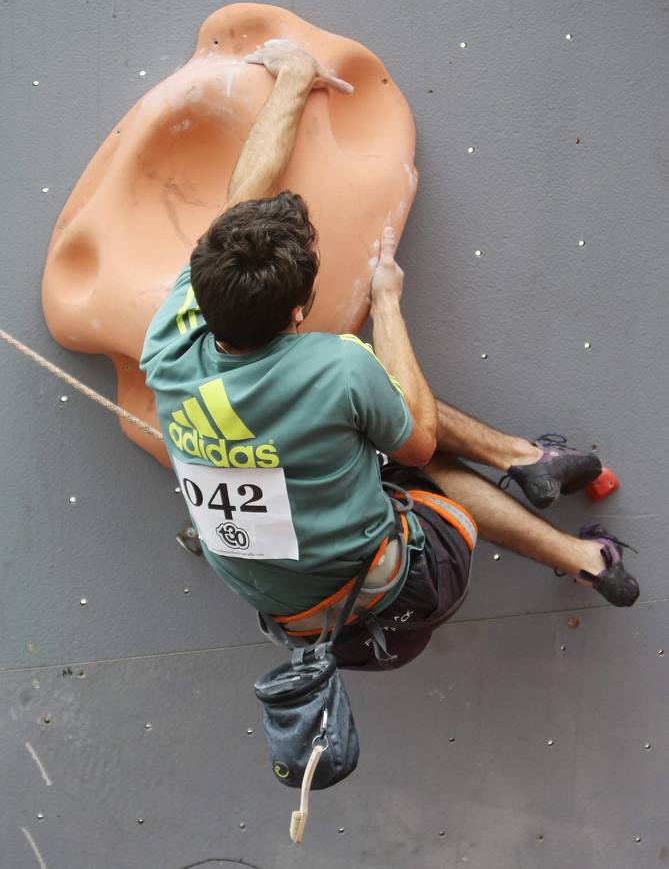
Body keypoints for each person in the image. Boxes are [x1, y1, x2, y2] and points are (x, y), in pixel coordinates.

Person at [140, 40, 639, 672]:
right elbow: (421, 439)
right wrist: (387, 307)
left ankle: (543, 482)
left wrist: (292, 79)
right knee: (410, 457)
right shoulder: (337, 365)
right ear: (298, 313)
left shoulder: (169, 336)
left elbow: (237, 209)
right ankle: (557, 513)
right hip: (392, 595)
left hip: (291, 612)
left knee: (360, 435)